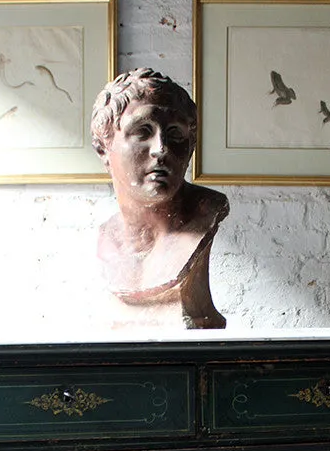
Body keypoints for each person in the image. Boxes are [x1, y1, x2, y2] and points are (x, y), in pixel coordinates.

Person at [91, 67, 228, 328]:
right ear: (103, 148)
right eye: (143, 131)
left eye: (176, 134)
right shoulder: (108, 238)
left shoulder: (206, 213)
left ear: (190, 148)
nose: (161, 149)